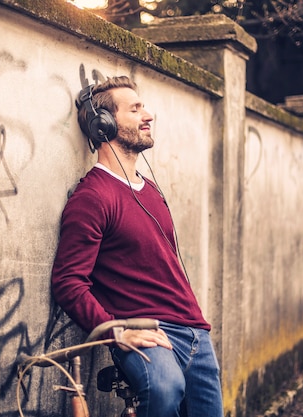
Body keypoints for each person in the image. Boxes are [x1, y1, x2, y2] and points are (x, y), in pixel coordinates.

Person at [51, 76, 223, 417]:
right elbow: (68, 282)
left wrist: (198, 328)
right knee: (164, 389)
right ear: (105, 124)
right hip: (146, 333)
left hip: (194, 335)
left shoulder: (152, 193)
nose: (148, 115)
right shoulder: (93, 198)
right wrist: (116, 332)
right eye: (135, 109)